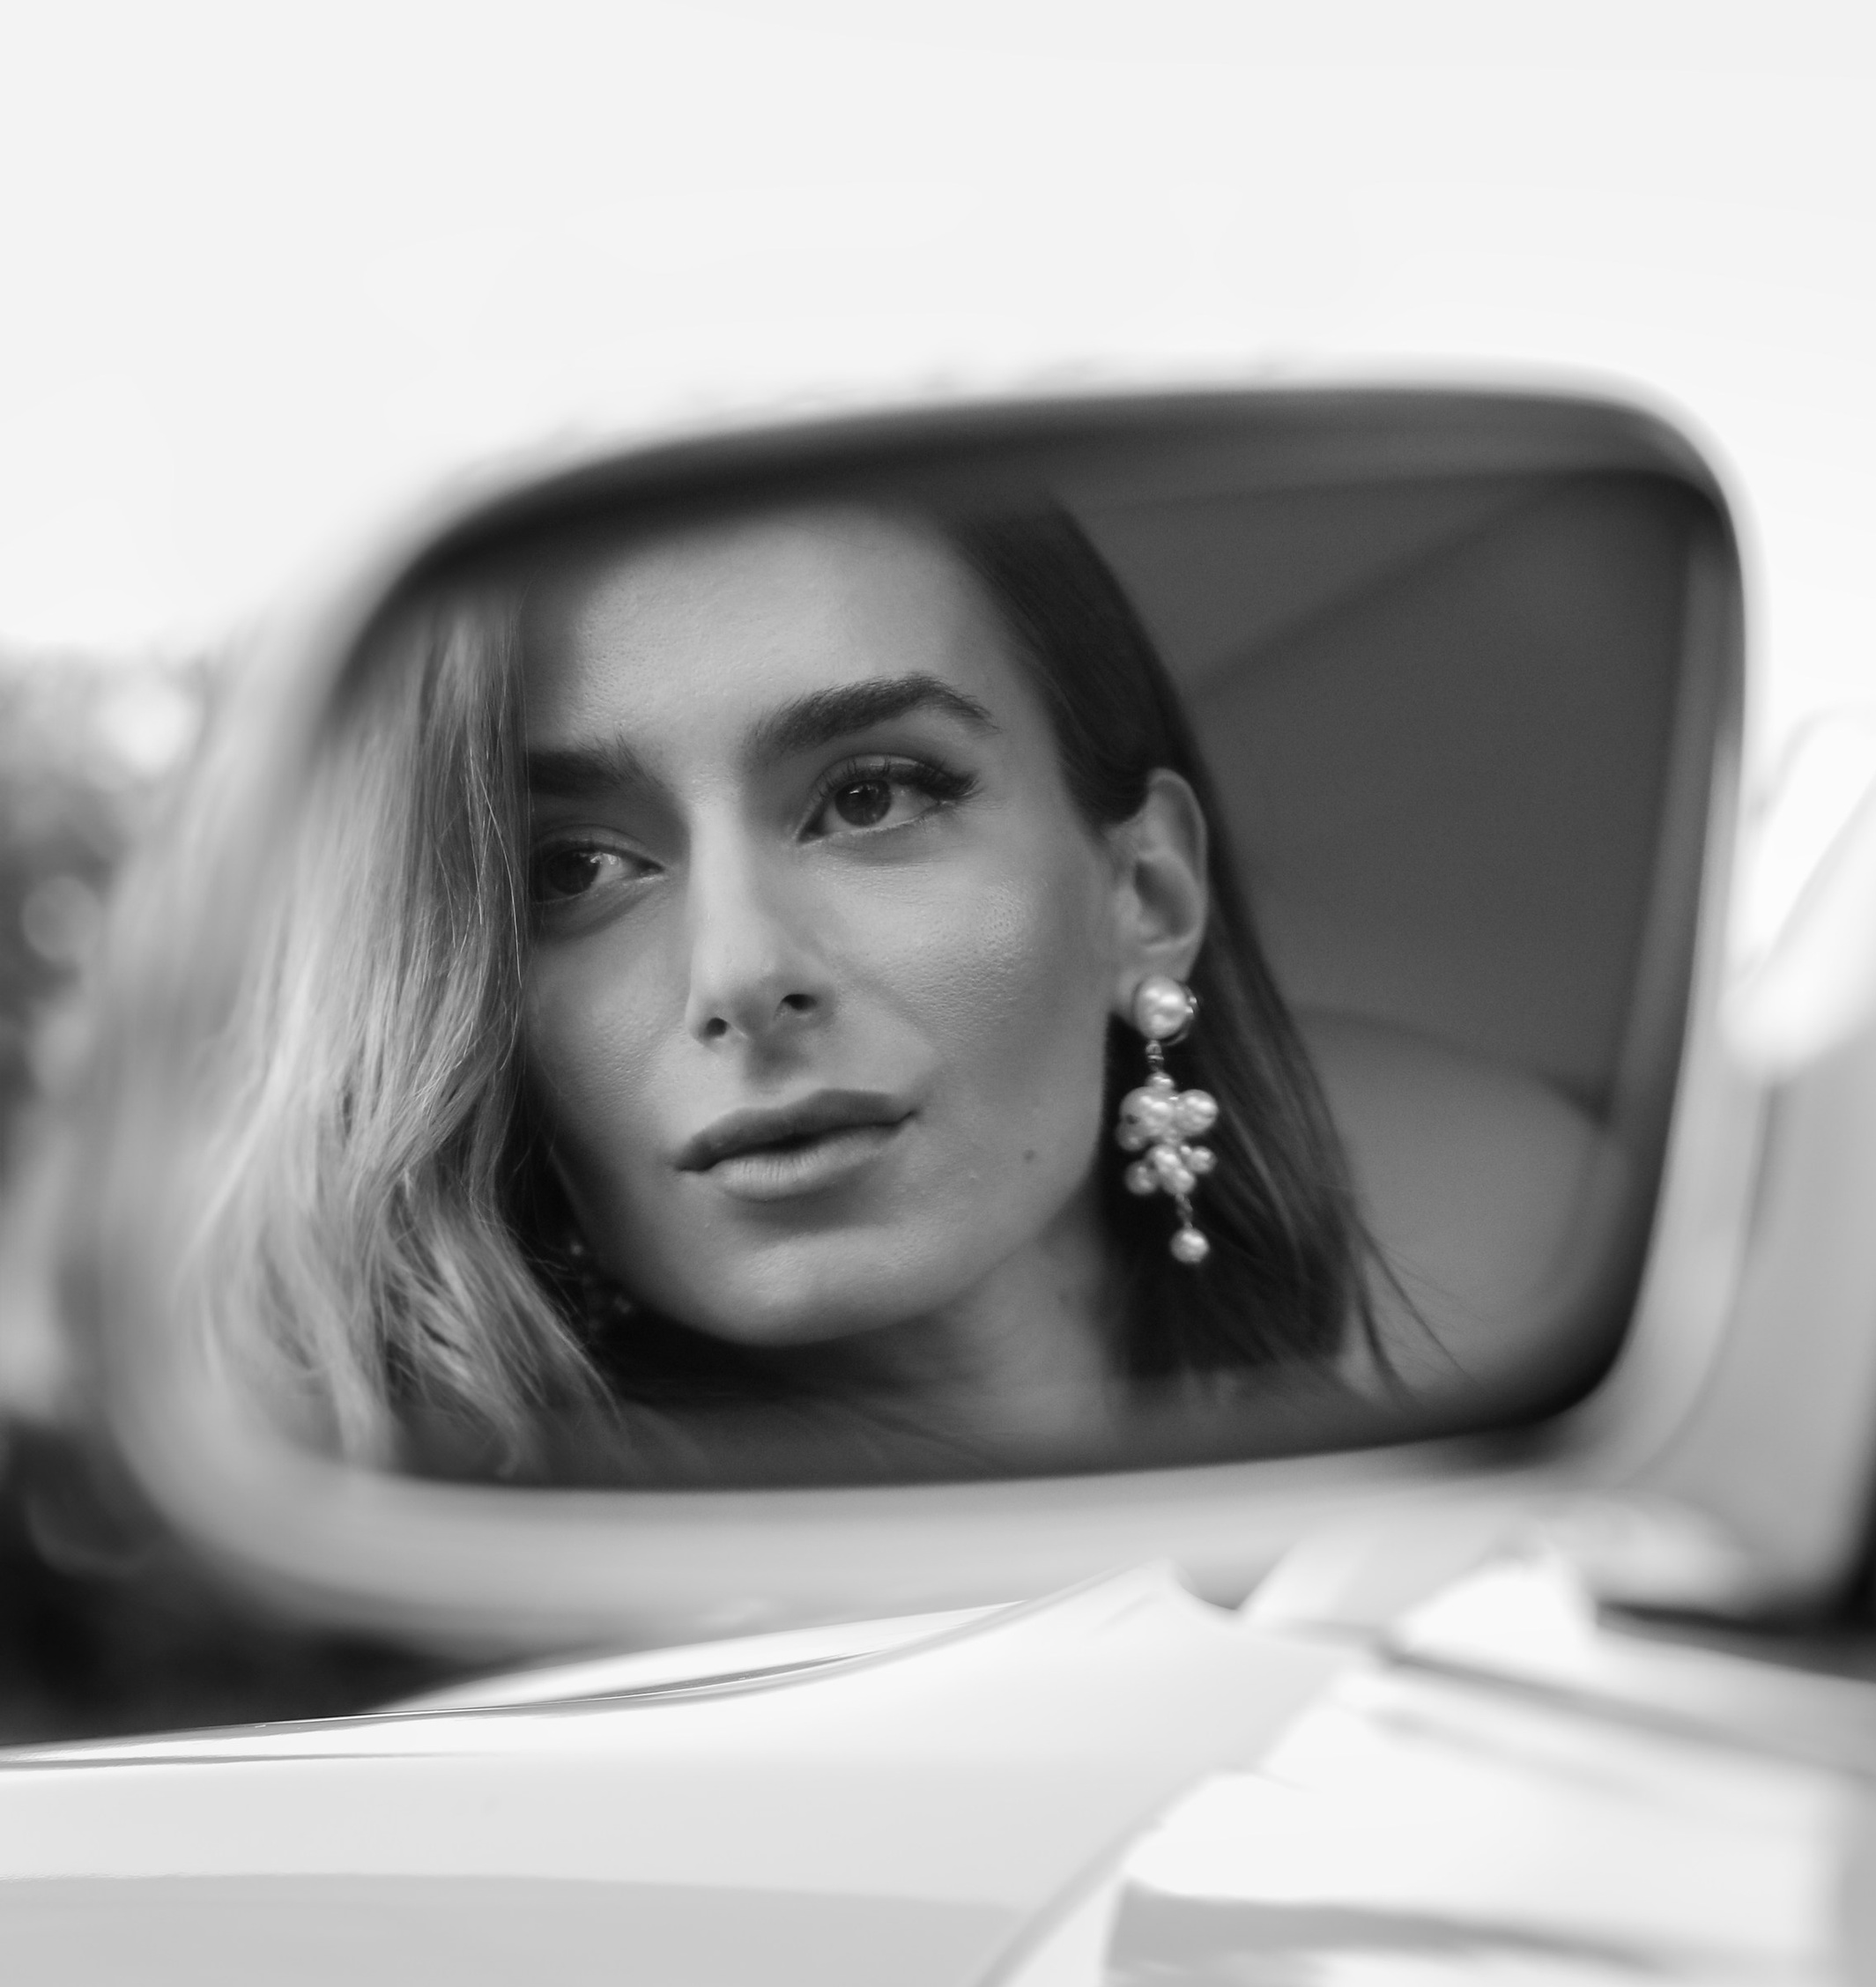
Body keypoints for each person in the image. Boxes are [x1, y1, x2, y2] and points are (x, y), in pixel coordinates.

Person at [189, 490, 1384, 1481]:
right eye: (571, 870)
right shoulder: (487, 1613)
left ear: (1147, 896)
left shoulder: (1391, 1470)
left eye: (871, 796)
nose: (744, 971)